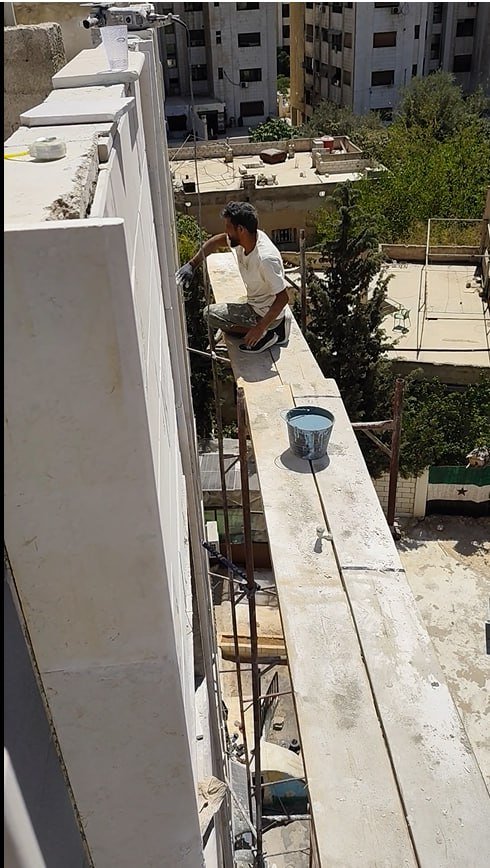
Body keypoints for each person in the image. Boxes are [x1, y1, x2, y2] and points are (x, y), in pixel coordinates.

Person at [175, 201, 291, 354]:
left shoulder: (265, 259)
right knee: (225, 314)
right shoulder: (245, 240)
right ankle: (263, 328)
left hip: (264, 314)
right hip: (255, 303)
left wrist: (259, 327)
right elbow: (216, 241)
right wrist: (192, 264)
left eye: (229, 227)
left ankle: (272, 332)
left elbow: (283, 298)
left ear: (241, 229)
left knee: (210, 314)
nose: (226, 231)